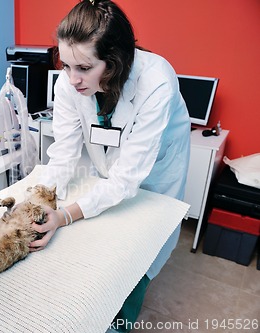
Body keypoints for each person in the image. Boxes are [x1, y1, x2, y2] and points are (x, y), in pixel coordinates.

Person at [31, 0, 190, 332]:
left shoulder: (155, 81)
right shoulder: (68, 83)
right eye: (66, 65)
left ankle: (119, 322)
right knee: (102, 239)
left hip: (157, 172)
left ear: (114, 62)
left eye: (84, 68)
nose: (72, 79)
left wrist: (64, 215)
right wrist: (38, 199)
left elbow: (126, 180)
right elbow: (63, 154)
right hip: (109, 164)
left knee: (139, 254)